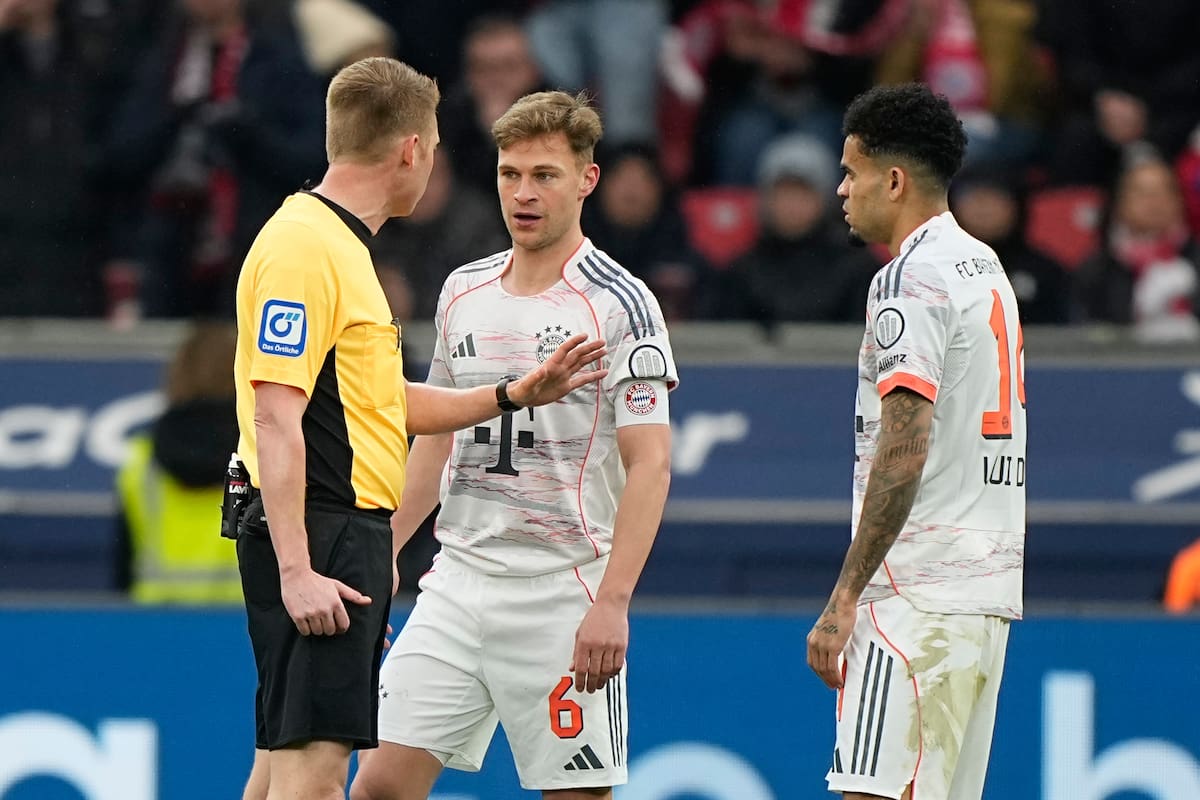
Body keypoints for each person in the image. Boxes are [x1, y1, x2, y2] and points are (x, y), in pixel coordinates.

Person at [232, 59, 607, 800]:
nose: (432, 160)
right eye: (432, 145)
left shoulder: (335, 244)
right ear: (409, 150)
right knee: (314, 768)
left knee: (282, 760)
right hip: (325, 525)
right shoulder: (308, 248)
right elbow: (275, 413)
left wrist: (508, 394)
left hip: (343, 529)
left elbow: (380, 402)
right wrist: (299, 568)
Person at [350, 90, 678, 800]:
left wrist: (613, 602)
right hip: (459, 583)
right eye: (510, 174)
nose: (523, 194)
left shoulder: (621, 303)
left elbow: (650, 463)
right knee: (376, 787)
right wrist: (387, 551)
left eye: (545, 175)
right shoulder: (463, 290)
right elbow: (436, 435)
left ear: (586, 180)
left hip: (562, 589)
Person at [806, 83, 1026, 800]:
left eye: (850, 171)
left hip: (913, 599)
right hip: (982, 594)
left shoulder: (910, 277)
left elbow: (906, 443)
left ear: (893, 180)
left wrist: (845, 596)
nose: (841, 190)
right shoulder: (985, 267)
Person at [115, 321, 241, 603]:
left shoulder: (140, 463)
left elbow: (121, 573)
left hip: (156, 630)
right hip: (248, 630)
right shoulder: (268, 457)